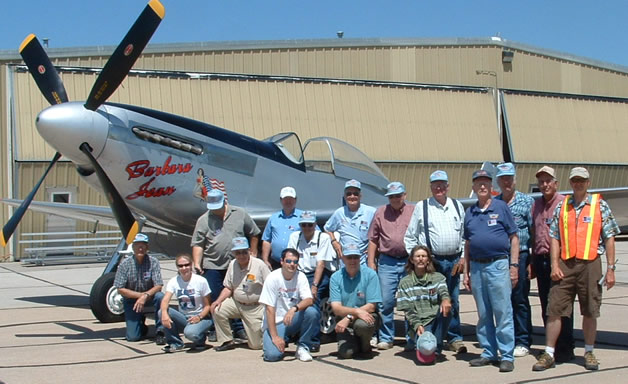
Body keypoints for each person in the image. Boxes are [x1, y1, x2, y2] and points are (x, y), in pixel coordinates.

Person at [533, 167, 620, 372]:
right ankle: (549, 352)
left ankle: (589, 351)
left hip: (590, 263)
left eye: (582, 180)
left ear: (588, 183)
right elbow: (554, 237)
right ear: (570, 183)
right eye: (575, 180)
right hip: (566, 263)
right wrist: (554, 265)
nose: (578, 184)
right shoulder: (563, 207)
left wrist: (611, 269)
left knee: (590, 309)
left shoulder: (600, 205)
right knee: (554, 309)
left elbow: (609, 237)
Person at [404, 170, 467, 354]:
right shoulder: (422, 207)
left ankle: (454, 338)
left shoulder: (457, 206)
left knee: (452, 300)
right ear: (430, 187)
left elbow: (464, 235)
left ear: (448, 186)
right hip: (433, 262)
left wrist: (462, 257)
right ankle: (424, 339)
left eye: (442, 184)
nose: (439, 188)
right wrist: (418, 260)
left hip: (454, 261)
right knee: (428, 302)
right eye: (435, 185)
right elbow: (410, 237)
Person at [462, 169, 519, 373]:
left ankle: (507, 355)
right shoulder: (470, 212)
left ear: (491, 186)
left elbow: (514, 238)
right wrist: (466, 272)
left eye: (486, 182)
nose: (482, 186)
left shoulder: (501, 207)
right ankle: (488, 352)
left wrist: (514, 266)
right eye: (479, 183)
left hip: (498, 265)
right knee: (484, 313)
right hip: (477, 266)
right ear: (473, 188)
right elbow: (468, 244)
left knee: (502, 311)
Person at [191, 188, 261, 341]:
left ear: (225, 202)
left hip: (237, 264)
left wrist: (253, 251)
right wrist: (197, 262)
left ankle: (238, 328)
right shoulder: (203, 220)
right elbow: (198, 244)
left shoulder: (240, 213)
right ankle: (217, 328)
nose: (215, 210)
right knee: (216, 298)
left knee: (238, 294)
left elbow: (254, 232)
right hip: (213, 264)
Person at [531, 166, 575, 363]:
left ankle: (565, 348)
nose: (545, 184)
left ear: (556, 183)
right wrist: (532, 260)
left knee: (562, 306)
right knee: (546, 305)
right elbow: (534, 234)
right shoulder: (536, 205)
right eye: (541, 181)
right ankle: (551, 346)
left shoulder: (565, 204)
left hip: (559, 260)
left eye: (548, 181)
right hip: (541, 260)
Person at [367, 181, 414, 350]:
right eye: (392, 196)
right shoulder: (380, 213)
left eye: (398, 195)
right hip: (387, 261)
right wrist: (371, 262)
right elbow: (373, 239)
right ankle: (386, 337)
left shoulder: (413, 211)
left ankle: (412, 338)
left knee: (410, 302)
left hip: (409, 261)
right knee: (385, 302)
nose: (395, 199)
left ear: (405, 196)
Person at [494, 162, 534, 358]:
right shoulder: (496, 203)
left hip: (523, 255)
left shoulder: (527, 202)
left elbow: (534, 230)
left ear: (515, 179)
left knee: (519, 299)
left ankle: (523, 340)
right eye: (503, 178)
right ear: (498, 181)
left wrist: (531, 261)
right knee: (503, 300)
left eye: (509, 178)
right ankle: (508, 338)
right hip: (501, 257)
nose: (506, 182)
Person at [287, 211, 337, 351]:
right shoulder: (295, 237)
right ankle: (288, 334)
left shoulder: (323, 238)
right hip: (300, 273)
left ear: (315, 225)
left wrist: (314, 286)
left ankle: (313, 340)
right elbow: (291, 259)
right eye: (304, 225)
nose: (307, 227)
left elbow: (321, 264)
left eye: (310, 225)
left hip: (319, 275)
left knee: (312, 301)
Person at [260, 248, 320, 362]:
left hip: (292, 319)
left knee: (312, 312)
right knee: (272, 356)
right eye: (288, 261)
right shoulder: (272, 278)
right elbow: (269, 309)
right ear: (282, 261)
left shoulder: (301, 276)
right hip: (275, 323)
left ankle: (303, 347)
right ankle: (278, 339)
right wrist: (275, 337)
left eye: (295, 262)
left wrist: (294, 309)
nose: (292, 264)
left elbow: (309, 299)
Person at [211, 237, 271, 352]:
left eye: (244, 252)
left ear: (249, 251)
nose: (241, 255)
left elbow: (271, 286)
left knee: (256, 346)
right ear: (234, 253)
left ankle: (266, 335)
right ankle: (227, 340)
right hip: (236, 303)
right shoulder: (232, 264)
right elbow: (228, 287)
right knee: (218, 309)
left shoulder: (260, 265)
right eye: (238, 253)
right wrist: (218, 301)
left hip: (255, 307)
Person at [396, 245, 451, 364]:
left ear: (428, 260)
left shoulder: (438, 278)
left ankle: (437, 348)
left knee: (448, 309)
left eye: (424, 256)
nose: (420, 259)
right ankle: (417, 342)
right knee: (425, 346)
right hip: (418, 321)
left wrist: (445, 300)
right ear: (411, 260)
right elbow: (408, 309)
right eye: (417, 256)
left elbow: (443, 291)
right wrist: (417, 325)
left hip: (434, 319)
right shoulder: (405, 282)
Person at [329, 243, 383, 359]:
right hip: (343, 319)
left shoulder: (370, 275)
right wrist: (355, 313)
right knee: (346, 354)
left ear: (360, 258)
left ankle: (365, 345)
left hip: (365, 316)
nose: (353, 260)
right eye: (349, 257)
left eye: (356, 257)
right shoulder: (335, 277)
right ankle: (354, 342)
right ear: (343, 258)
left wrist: (349, 317)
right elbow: (336, 308)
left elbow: (371, 306)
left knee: (363, 325)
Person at [113, 233, 165, 343]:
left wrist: (145, 296)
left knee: (161, 297)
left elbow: (159, 285)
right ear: (133, 247)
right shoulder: (124, 264)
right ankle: (140, 324)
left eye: (143, 245)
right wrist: (140, 296)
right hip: (132, 300)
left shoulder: (153, 262)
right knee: (133, 337)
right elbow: (120, 288)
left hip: (150, 297)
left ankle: (161, 330)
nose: (140, 248)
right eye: (137, 245)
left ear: (147, 247)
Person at [158, 253, 211, 352]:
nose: (184, 268)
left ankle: (200, 339)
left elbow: (208, 306)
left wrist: (199, 317)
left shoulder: (201, 281)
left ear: (191, 265)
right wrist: (164, 314)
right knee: (162, 312)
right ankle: (175, 343)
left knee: (190, 333)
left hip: (201, 317)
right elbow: (165, 300)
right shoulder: (174, 281)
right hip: (184, 316)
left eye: (187, 265)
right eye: (181, 266)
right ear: (177, 267)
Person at [325, 179, 376, 265]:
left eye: (355, 193)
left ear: (360, 196)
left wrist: (375, 248)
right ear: (345, 196)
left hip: (364, 260)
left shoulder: (371, 212)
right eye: (349, 194)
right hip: (345, 261)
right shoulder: (339, 213)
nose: (352, 196)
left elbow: (382, 230)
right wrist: (334, 242)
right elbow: (327, 229)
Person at [261, 187, 305, 270]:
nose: (288, 201)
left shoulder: (303, 217)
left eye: (291, 199)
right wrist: (265, 260)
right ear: (281, 200)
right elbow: (267, 240)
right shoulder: (273, 218)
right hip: (276, 262)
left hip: (295, 264)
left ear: (295, 200)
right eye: (286, 199)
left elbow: (315, 235)